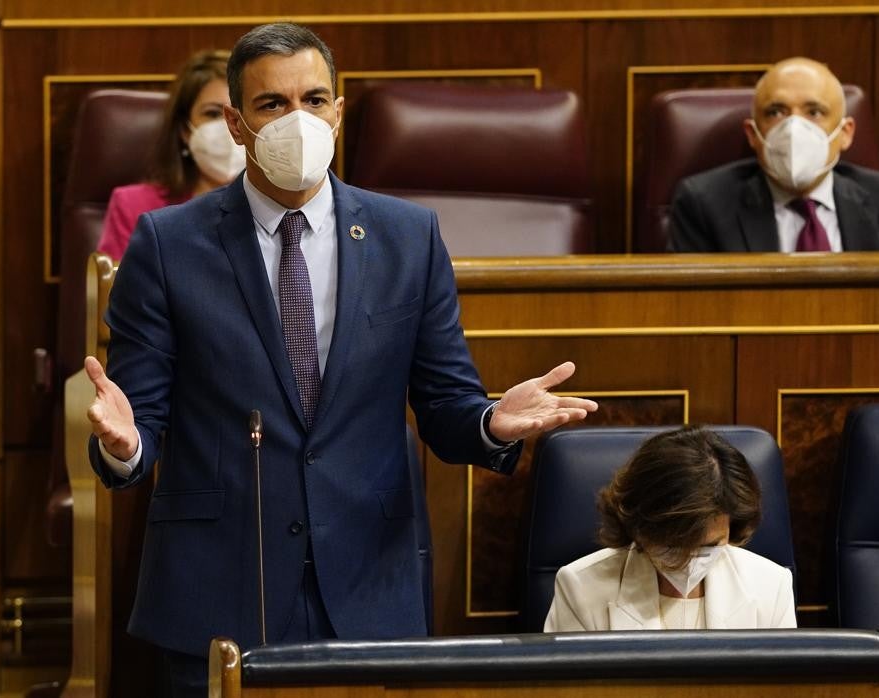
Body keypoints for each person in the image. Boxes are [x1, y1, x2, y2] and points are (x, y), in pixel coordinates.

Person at [83, 23, 598, 695]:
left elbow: (445, 403)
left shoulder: (407, 236)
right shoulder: (168, 243)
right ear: (237, 125)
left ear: (339, 111)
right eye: (272, 105)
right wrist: (124, 446)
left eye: (315, 99)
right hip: (221, 584)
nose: (298, 119)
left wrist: (490, 423)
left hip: (368, 582)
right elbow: (140, 422)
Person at [668, 57, 879, 253]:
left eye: (814, 112)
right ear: (752, 134)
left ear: (846, 134)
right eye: (776, 112)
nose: (794, 128)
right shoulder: (704, 205)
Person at [544, 426, 796, 631]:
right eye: (674, 545)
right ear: (639, 527)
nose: (689, 560)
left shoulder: (771, 587)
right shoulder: (580, 587)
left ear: (732, 527)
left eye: (709, 545)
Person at [97, 49, 246, 260]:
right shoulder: (133, 206)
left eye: (238, 115)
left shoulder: (275, 206)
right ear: (184, 131)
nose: (228, 127)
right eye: (212, 114)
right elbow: (117, 290)